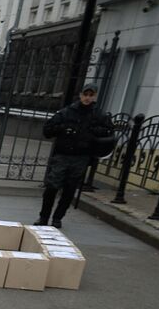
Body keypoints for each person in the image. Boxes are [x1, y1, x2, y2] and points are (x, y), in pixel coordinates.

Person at [38, 83, 114, 227]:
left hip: (81, 156)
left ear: (95, 97)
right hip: (63, 154)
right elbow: (48, 130)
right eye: (85, 94)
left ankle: (57, 218)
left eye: (91, 95)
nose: (87, 98)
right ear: (80, 95)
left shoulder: (99, 115)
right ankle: (43, 217)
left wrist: (93, 132)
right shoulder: (67, 112)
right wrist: (64, 128)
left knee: (70, 188)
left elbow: (109, 133)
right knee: (52, 186)